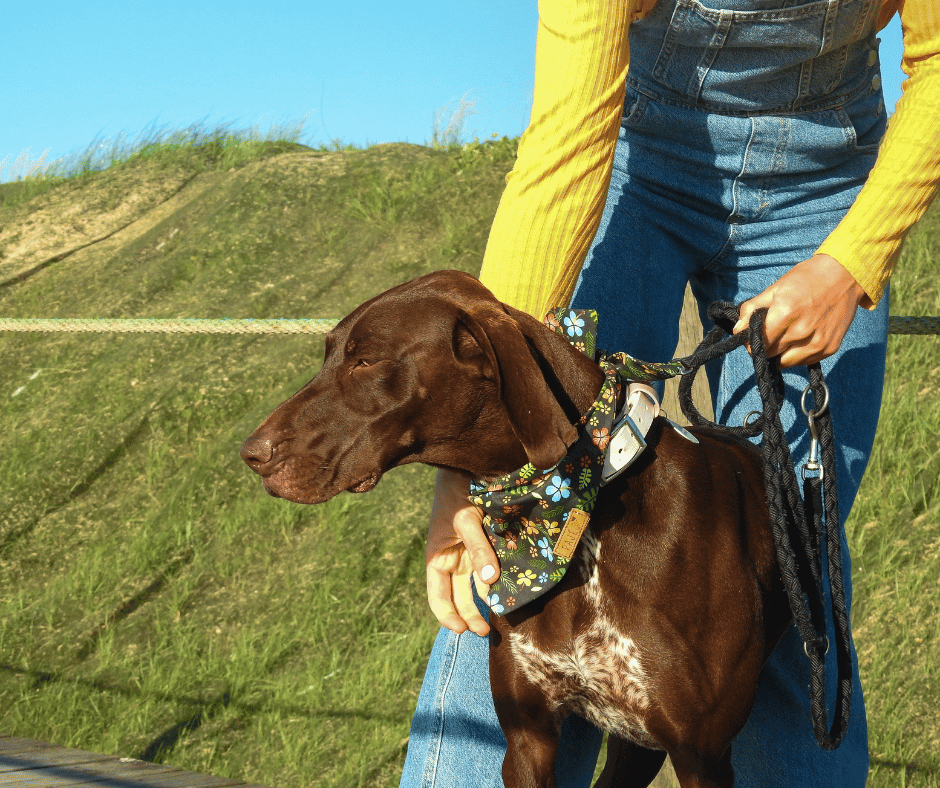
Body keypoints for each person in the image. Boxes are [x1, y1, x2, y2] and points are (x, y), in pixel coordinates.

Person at [401, 0, 940, 785]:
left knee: (786, 558)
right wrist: (478, 473)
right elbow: (564, 147)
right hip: (634, 163)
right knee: (517, 545)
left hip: (826, 188)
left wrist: (850, 263)